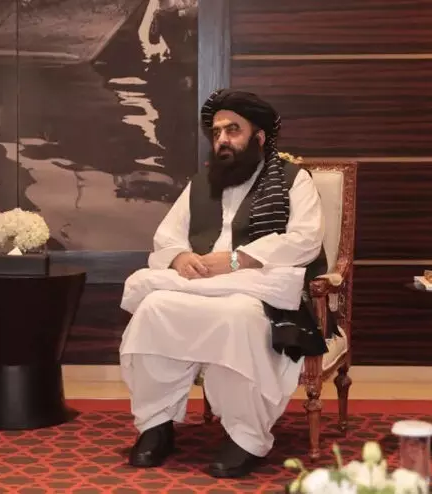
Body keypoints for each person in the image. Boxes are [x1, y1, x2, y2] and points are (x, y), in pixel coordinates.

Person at [119, 89, 330, 478]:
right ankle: (157, 425)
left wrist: (238, 260)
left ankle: (245, 436)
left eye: (233, 130)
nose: (222, 140)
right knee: (153, 309)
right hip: (200, 282)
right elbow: (167, 236)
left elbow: (305, 240)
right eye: (216, 132)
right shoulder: (202, 182)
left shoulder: (293, 179)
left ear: (259, 137)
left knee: (236, 317)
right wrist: (180, 258)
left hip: (257, 285)